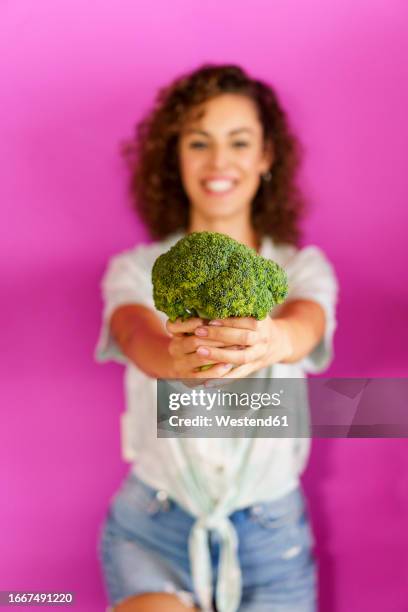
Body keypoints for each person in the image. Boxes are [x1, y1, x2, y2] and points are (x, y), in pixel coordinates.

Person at [95, 64, 338, 612]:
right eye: (199, 142)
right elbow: (137, 335)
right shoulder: (135, 270)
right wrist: (178, 361)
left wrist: (272, 340)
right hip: (152, 526)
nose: (219, 161)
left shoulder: (301, 268)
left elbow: (306, 324)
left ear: (266, 157)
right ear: (174, 156)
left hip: (274, 536)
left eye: (239, 141)